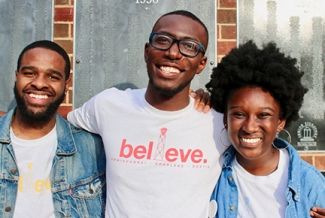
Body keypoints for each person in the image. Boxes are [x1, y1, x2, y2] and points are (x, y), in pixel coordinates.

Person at [67, 10, 228, 217]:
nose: (172, 53)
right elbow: (52, 129)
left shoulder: (219, 121)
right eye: (163, 40)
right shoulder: (109, 105)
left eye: (189, 46)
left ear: (201, 64)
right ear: (146, 51)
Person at [206, 40, 325, 217]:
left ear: (280, 121)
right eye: (238, 114)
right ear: (225, 119)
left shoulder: (310, 183)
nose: (249, 127)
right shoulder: (210, 176)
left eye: (263, 115)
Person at [0, 40, 106, 217]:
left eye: (52, 77)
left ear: (66, 85)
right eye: (30, 73)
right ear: (16, 76)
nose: (39, 84)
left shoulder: (93, 150)